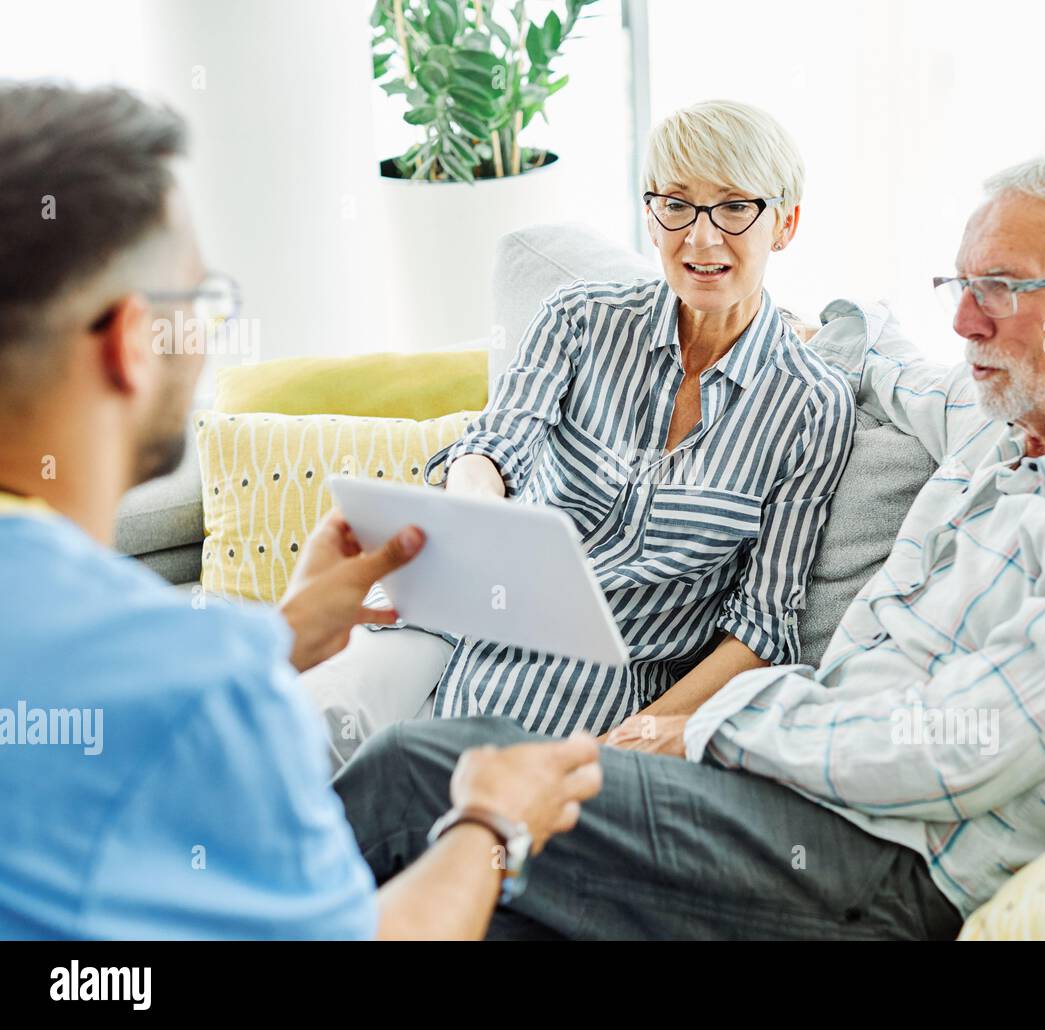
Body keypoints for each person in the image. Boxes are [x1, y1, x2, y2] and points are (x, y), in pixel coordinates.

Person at [334, 153, 1045, 940]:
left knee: (434, 776)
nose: (966, 322)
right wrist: (826, 333)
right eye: (959, 286)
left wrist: (704, 726)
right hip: (793, 807)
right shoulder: (1007, 420)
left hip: (879, 868)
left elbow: (954, 751)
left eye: (1002, 290)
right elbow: (893, 365)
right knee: (483, 884)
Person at [0, 81, 600, 941]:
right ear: (136, 344)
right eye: (202, 305)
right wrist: (489, 825)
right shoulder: (196, 688)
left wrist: (277, 638)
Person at [307, 100, 855, 763]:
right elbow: (493, 443)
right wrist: (475, 508)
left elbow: (764, 625)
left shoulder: (809, 403)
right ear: (650, 217)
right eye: (676, 204)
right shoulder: (579, 318)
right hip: (455, 624)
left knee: (442, 813)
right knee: (288, 737)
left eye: (736, 207)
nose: (701, 239)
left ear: (785, 224)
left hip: (603, 700)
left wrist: (631, 743)